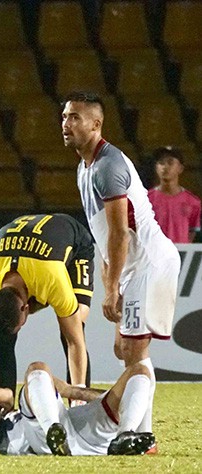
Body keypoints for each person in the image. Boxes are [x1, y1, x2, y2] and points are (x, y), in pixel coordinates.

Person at [62, 91, 181, 435]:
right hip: (133, 269)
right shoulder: (84, 168)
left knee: (132, 351)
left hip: (150, 264)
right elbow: (104, 237)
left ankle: (139, 435)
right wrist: (111, 282)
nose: (66, 124)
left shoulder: (108, 166)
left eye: (75, 118)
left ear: (96, 124)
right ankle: (139, 432)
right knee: (124, 349)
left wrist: (111, 288)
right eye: (65, 116)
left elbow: (120, 234)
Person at [0, 214, 93, 399]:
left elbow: (75, 342)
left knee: (73, 328)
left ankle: (79, 406)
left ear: (25, 308)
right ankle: (4, 408)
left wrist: (79, 396)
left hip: (75, 247)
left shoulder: (51, 279)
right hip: (27, 252)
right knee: (2, 338)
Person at [0, 359, 157, 456]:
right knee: (37, 368)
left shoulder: (3, 433)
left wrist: (70, 391)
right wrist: (7, 395)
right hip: (44, 437)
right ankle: (126, 431)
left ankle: (124, 438)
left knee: (139, 371)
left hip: (66, 429)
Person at [147, 146, 201, 244]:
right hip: (153, 256)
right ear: (156, 168)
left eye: (170, 162)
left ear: (180, 168)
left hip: (180, 257)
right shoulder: (146, 200)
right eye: (161, 163)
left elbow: (192, 232)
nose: (165, 167)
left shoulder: (193, 202)